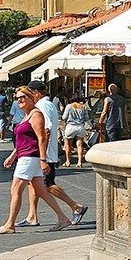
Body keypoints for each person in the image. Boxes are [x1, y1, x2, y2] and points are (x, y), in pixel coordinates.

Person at [0, 86, 72, 234]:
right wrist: (13, 155)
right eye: (17, 98)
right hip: (27, 156)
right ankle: (63, 218)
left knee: (15, 190)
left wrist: (43, 160)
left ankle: (10, 224)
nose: (20, 100)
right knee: (42, 191)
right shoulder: (27, 115)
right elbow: (24, 140)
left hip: (30, 158)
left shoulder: (35, 115)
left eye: (23, 97)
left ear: (31, 97)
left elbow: (42, 138)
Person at [18, 81, 88, 228]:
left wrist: (43, 156)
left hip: (44, 154)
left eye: (29, 94)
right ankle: (32, 216)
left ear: (36, 93)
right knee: (34, 184)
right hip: (44, 153)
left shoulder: (42, 107)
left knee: (47, 185)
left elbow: (46, 131)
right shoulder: (47, 105)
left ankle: (76, 206)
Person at [60, 97, 90, 167]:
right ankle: (79, 162)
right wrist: (91, 126)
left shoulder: (69, 106)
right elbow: (87, 118)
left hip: (70, 127)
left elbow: (64, 117)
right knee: (80, 145)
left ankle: (68, 161)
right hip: (80, 127)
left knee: (68, 145)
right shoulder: (83, 107)